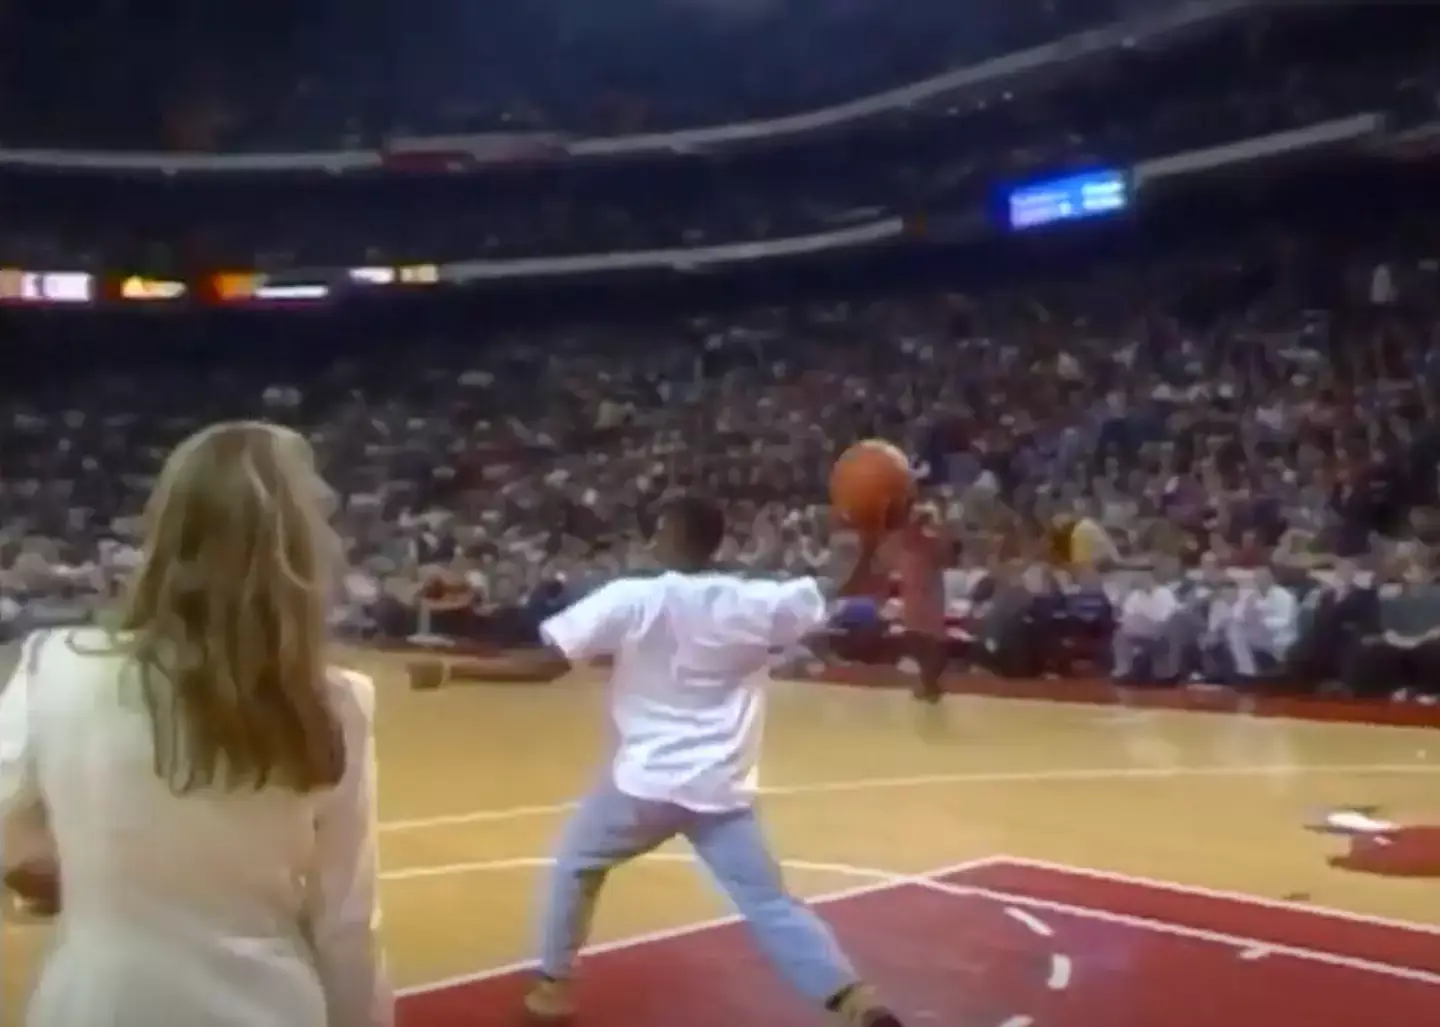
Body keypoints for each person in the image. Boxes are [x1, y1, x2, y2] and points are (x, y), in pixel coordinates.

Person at [0, 421, 392, 1027]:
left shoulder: (54, 664)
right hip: (271, 1006)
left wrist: (75, 876)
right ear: (303, 548)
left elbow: (9, 838)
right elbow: (346, 925)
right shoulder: (337, 701)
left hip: (98, 1003)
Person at [462, 494, 908, 1026]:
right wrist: (872, 540)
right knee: (771, 904)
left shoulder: (631, 597)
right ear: (715, 542)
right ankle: (855, 1000)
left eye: (657, 532)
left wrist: (451, 673)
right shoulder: (755, 602)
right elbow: (841, 592)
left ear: (667, 538)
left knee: (577, 866)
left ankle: (554, 987)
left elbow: (544, 666)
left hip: (642, 789)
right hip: (721, 793)